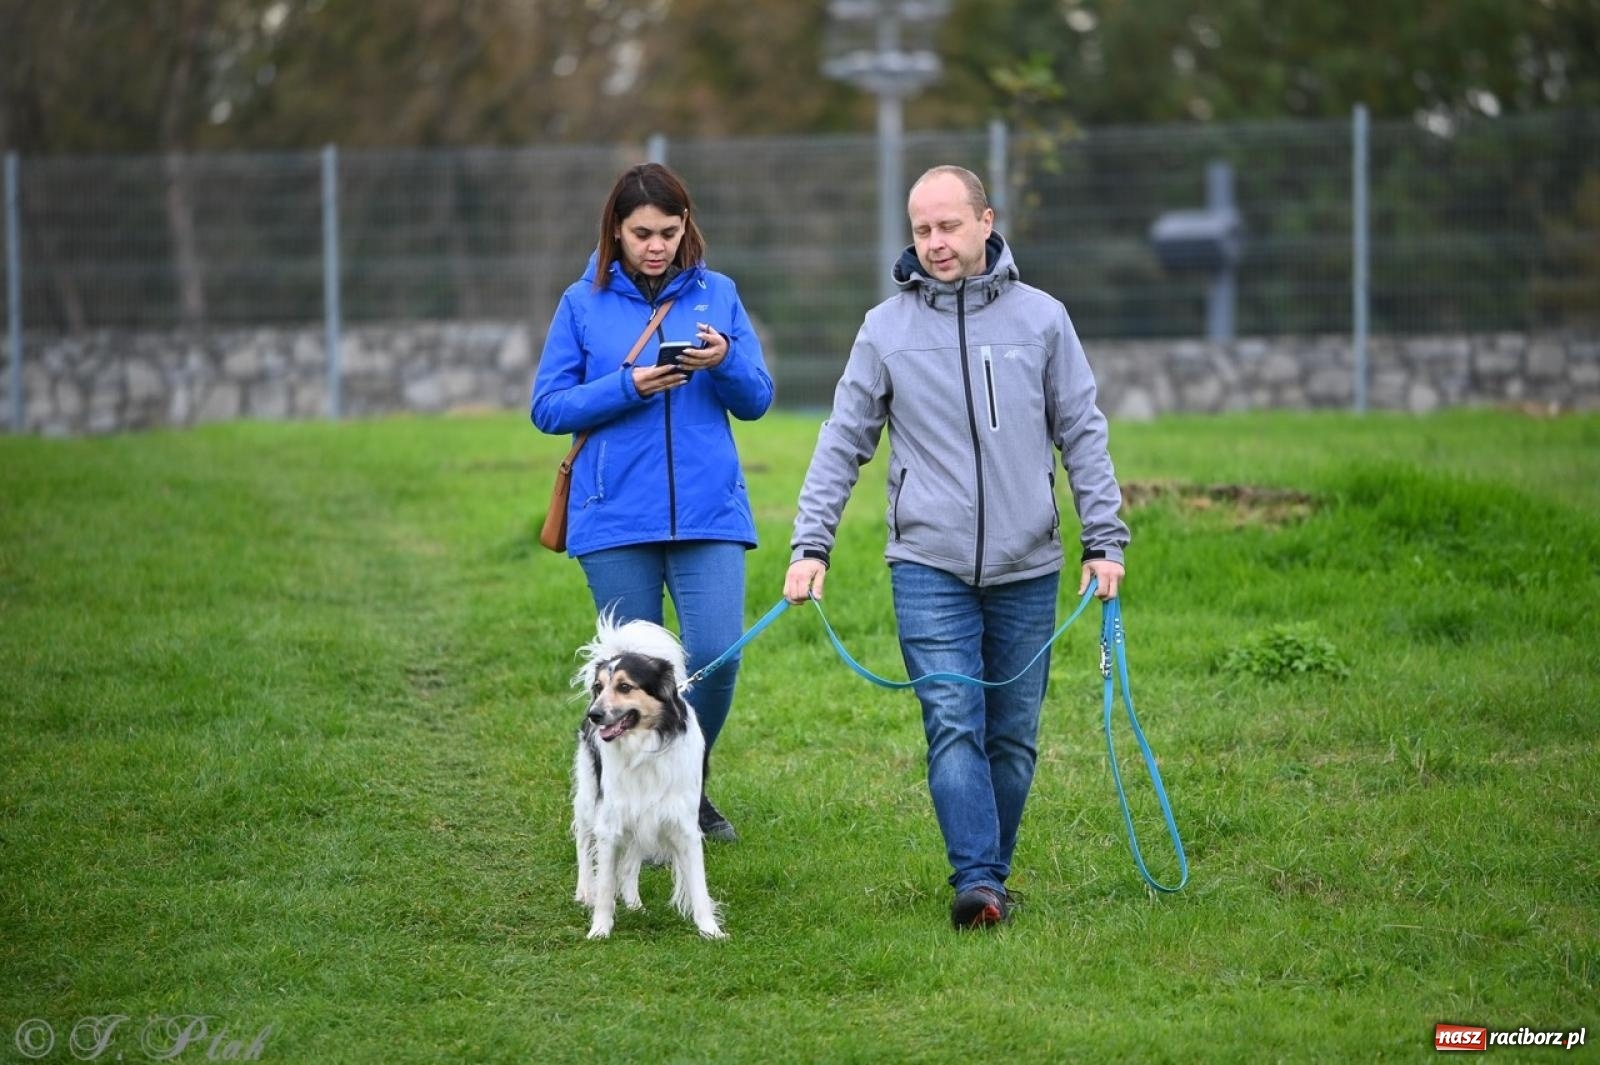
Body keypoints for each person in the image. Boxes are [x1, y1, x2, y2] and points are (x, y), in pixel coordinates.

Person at [783, 165, 1128, 928]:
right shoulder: (885, 329)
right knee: (951, 719)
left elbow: (1083, 431)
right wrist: (812, 545)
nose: (935, 243)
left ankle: (990, 880)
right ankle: (975, 877)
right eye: (921, 230)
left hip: (1029, 564)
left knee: (1013, 735)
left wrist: (1104, 537)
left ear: (984, 221)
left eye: (948, 226)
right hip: (927, 564)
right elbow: (843, 442)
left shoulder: (1043, 320)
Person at [533, 162, 774, 842]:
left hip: (710, 513)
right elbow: (547, 407)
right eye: (642, 232)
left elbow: (756, 398)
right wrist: (629, 384)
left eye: (670, 230)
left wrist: (723, 359)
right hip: (613, 517)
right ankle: (629, 803)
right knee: (632, 676)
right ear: (617, 228)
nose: (657, 245)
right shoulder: (581, 303)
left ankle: (687, 786)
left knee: (718, 654)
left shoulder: (718, 293)